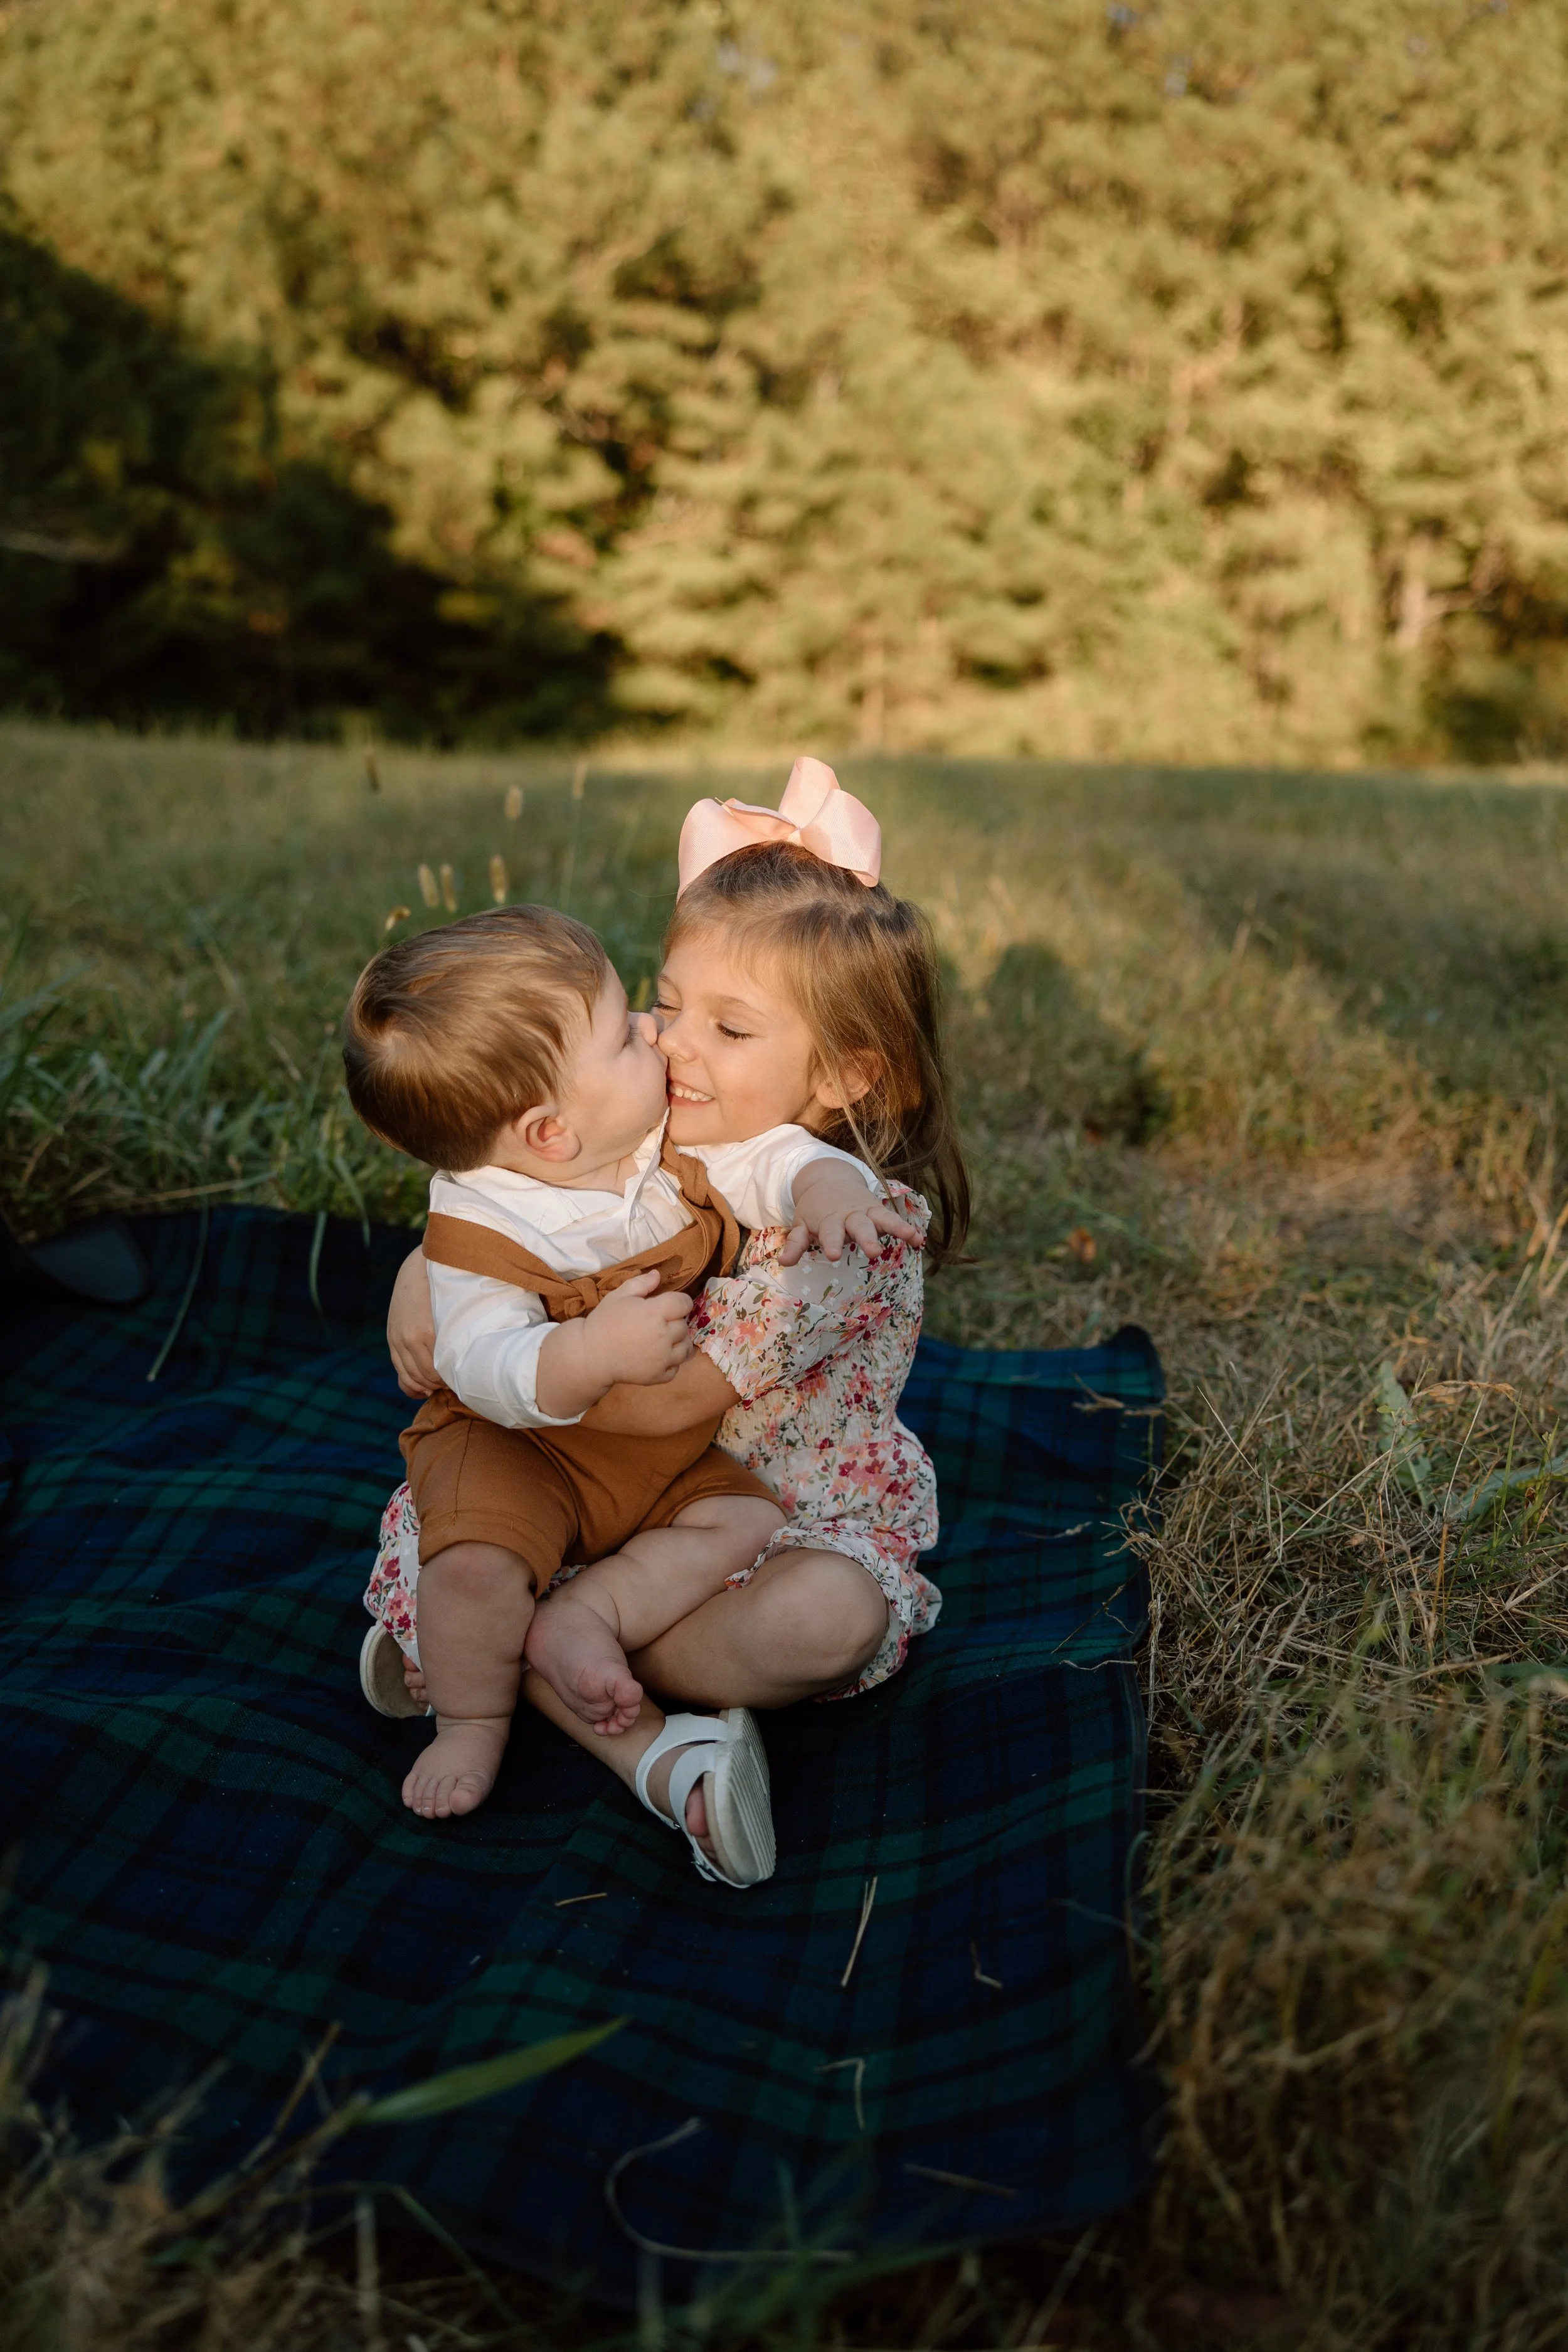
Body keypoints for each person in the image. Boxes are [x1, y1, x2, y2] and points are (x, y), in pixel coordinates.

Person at [380, 758, 971, 1887]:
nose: (671, 1045)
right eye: (664, 1003)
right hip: (597, 1486)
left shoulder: (841, 1234)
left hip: (762, 1511)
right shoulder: (648, 1129)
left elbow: (677, 1382)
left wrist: (826, 1195)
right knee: (472, 1533)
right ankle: (568, 1674)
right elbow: (508, 1200)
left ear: (847, 1072)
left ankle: (543, 1652)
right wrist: (426, 1266)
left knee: (831, 1620)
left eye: (728, 1029)